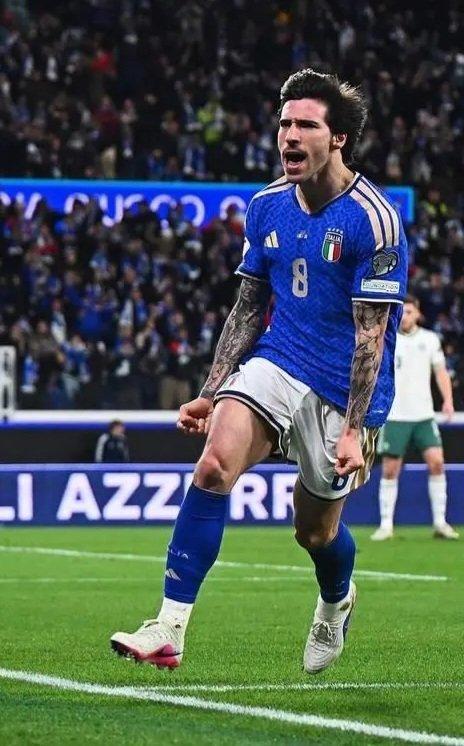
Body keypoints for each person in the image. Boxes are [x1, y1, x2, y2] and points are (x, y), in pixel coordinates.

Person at [111, 69, 408, 672]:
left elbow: (370, 335)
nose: (289, 136)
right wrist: (210, 391)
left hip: (342, 386)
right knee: (213, 466)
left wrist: (354, 430)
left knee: (314, 533)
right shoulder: (266, 205)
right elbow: (248, 308)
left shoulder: (373, 220)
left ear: (338, 138)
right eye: (284, 124)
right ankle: (169, 626)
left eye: (306, 125)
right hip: (278, 359)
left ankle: (336, 600)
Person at [371, 295, 458, 541]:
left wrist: (448, 400)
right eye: (402, 312)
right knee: (390, 469)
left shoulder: (430, 339)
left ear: (418, 314)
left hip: (423, 415)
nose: (405, 316)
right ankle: (386, 525)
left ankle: (440, 523)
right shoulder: (387, 338)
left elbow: (441, 372)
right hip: (395, 414)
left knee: (437, 463)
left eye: (409, 312)